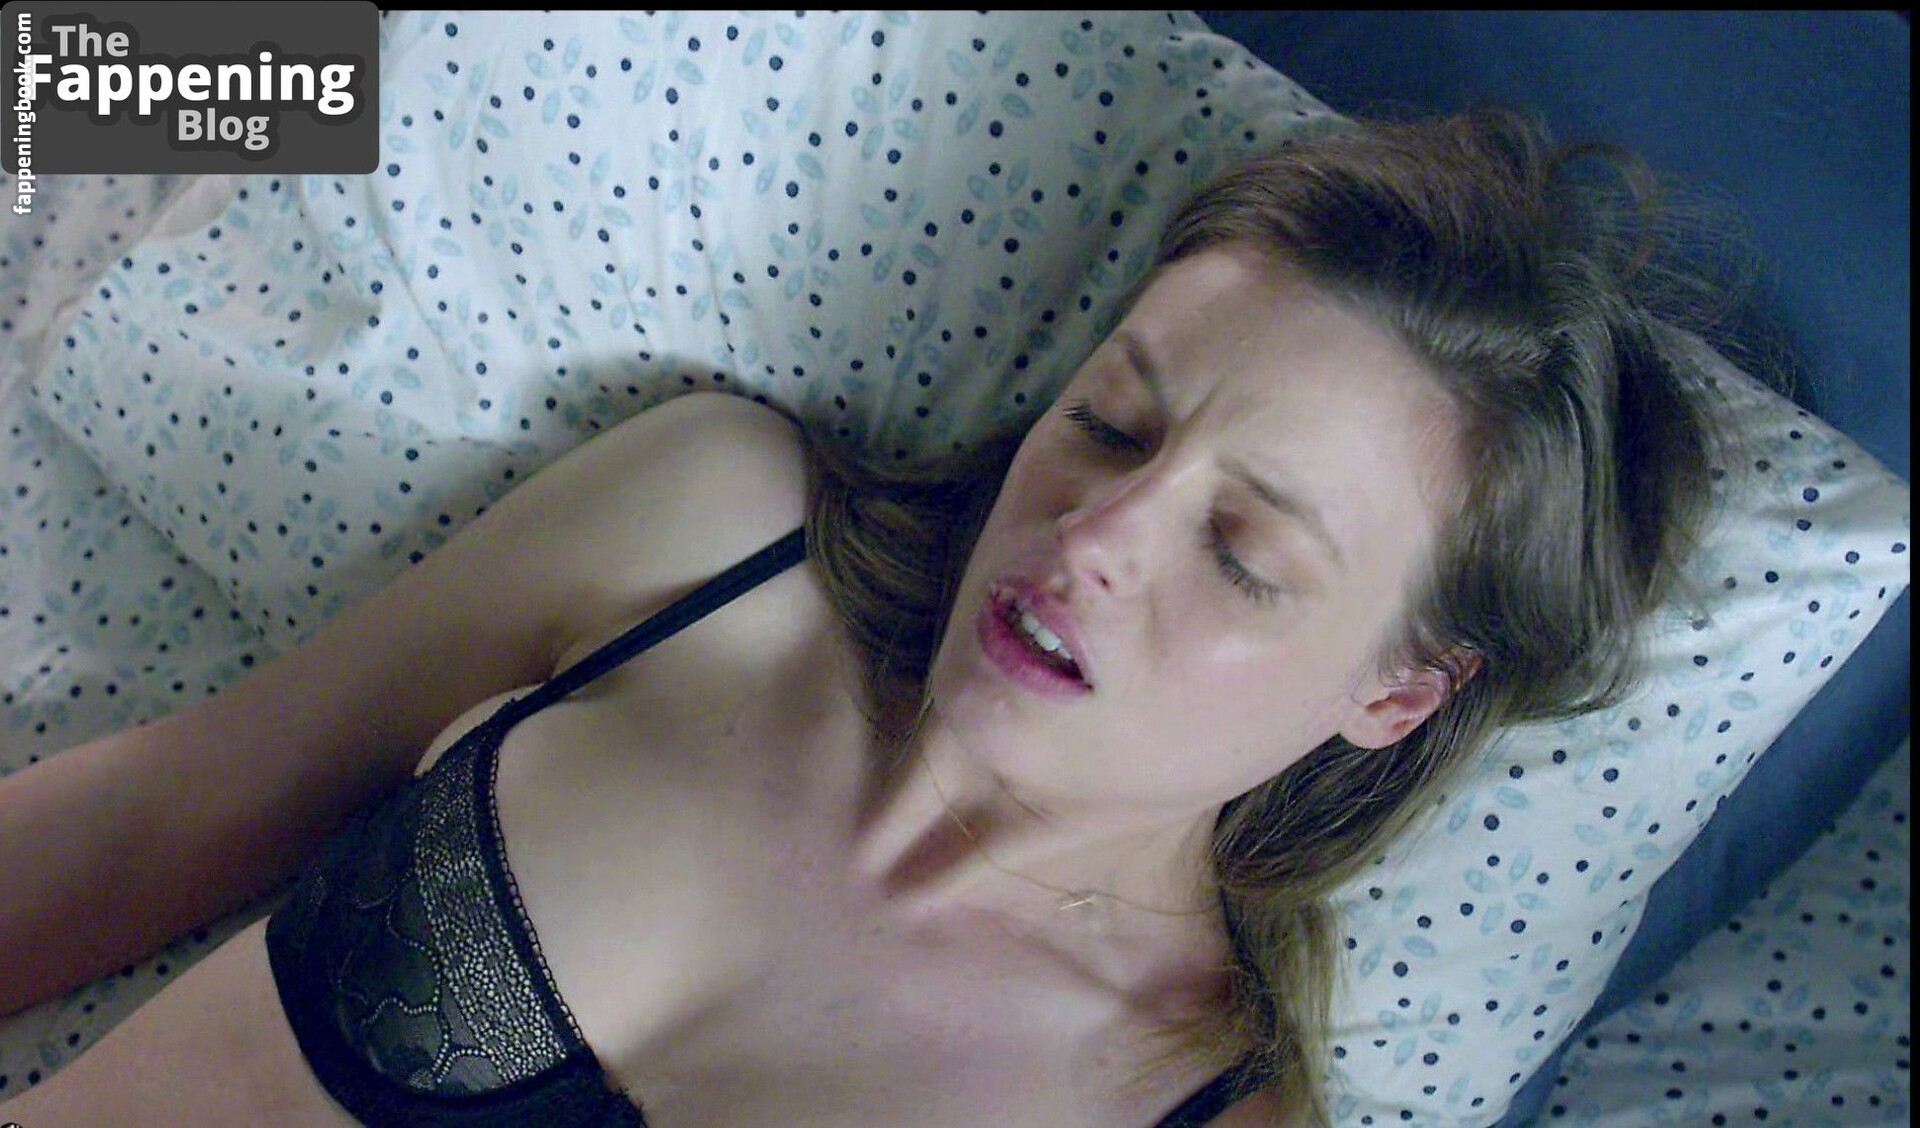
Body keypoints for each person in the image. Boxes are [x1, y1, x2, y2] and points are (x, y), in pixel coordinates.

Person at [0, 106, 1730, 1126]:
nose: (1096, 535)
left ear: (1399, 693)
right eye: (1113, 423)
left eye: (1243, 553)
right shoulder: (714, 544)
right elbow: (155, 815)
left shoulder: (1189, 1106)